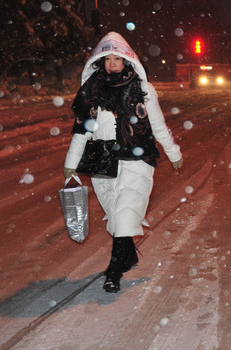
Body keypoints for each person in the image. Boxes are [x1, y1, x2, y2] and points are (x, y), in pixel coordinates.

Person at [62, 32, 183, 293]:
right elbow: (82, 130)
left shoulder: (143, 89)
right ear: (100, 61)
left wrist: (174, 154)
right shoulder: (90, 92)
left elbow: (159, 127)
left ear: (127, 60)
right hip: (102, 163)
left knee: (125, 213)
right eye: (108, 59)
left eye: (118, 58)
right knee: (114, 217)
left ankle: (114, 271)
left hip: (137, 158)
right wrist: (71, 162)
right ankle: (129, 255)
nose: (113, 63)